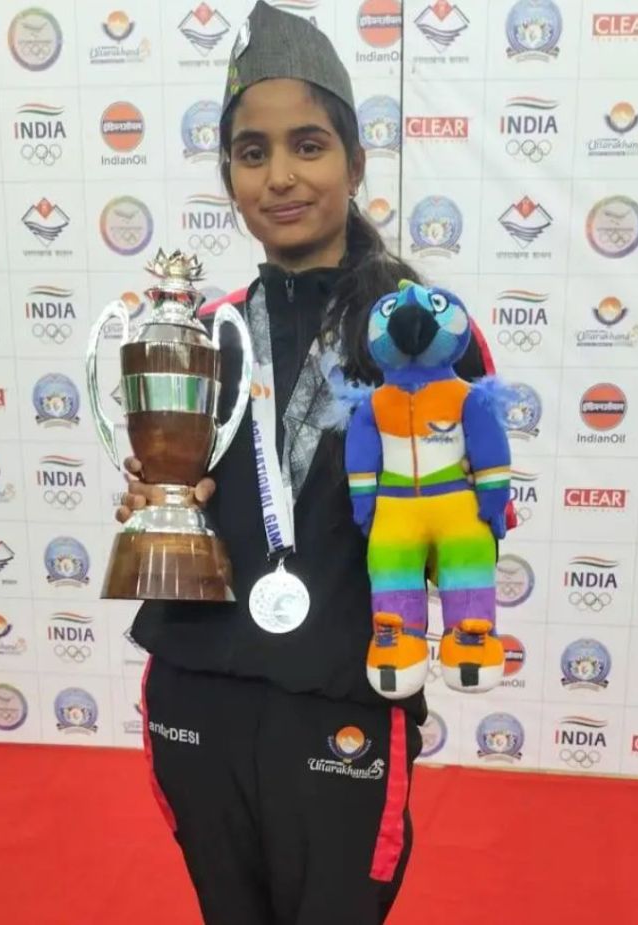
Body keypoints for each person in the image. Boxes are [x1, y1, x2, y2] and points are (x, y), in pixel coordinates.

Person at [118, 4, 498, 923]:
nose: (281, 176)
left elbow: (470, 525)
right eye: (252, 153)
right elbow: (189, 484)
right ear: (229, 176)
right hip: (198, 688)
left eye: (309, 146)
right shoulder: (204, 333)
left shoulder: (422, 332)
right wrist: (160, 495)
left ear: (356, 163)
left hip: (342, 698)